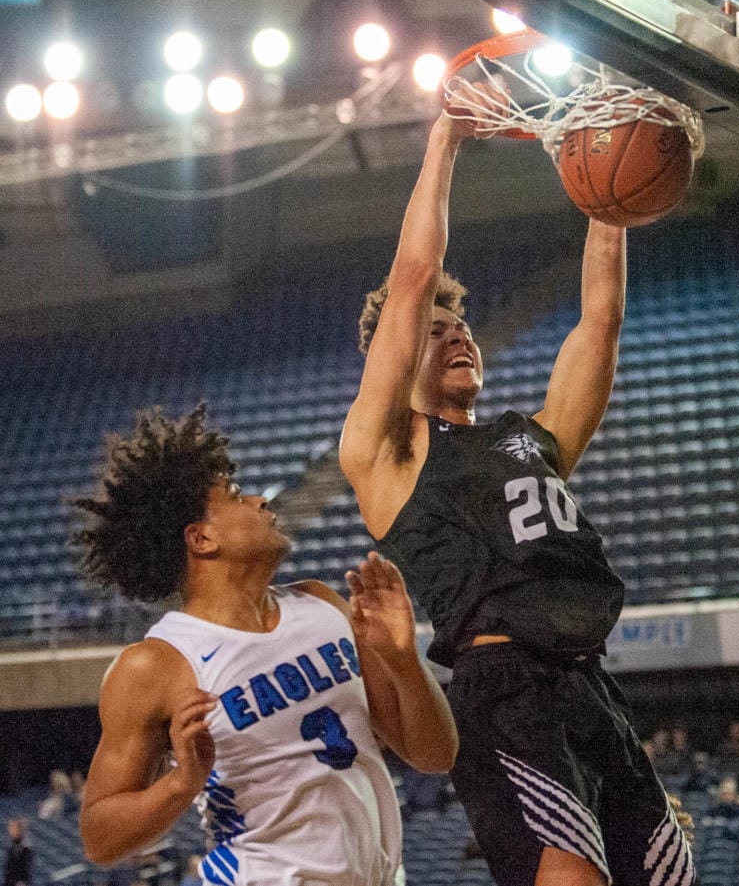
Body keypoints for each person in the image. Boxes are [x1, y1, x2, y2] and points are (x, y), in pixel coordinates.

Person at [339, 96, 698, 886]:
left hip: (588, 683)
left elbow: (598, 322)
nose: (456, 332)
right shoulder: (387, 449)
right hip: (502, 690)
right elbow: (411, 278)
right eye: (435, 331)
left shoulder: (532, 438)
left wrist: (608, 208)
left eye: (460, 325)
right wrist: (445, 140)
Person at [73, 405, 457, 886]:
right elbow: (99, 838)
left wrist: (402, 662)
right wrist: (180, 784)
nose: (257, 500)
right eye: (235, 496)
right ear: (202, 538)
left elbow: (435, 755)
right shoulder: (155, 664)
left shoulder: (322, 604)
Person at [2, 819, 32, 886]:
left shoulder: (24, 847)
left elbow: (26, 866)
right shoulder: (12, 845)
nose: (10, 830)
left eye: (13, 827)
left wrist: (22, 881)